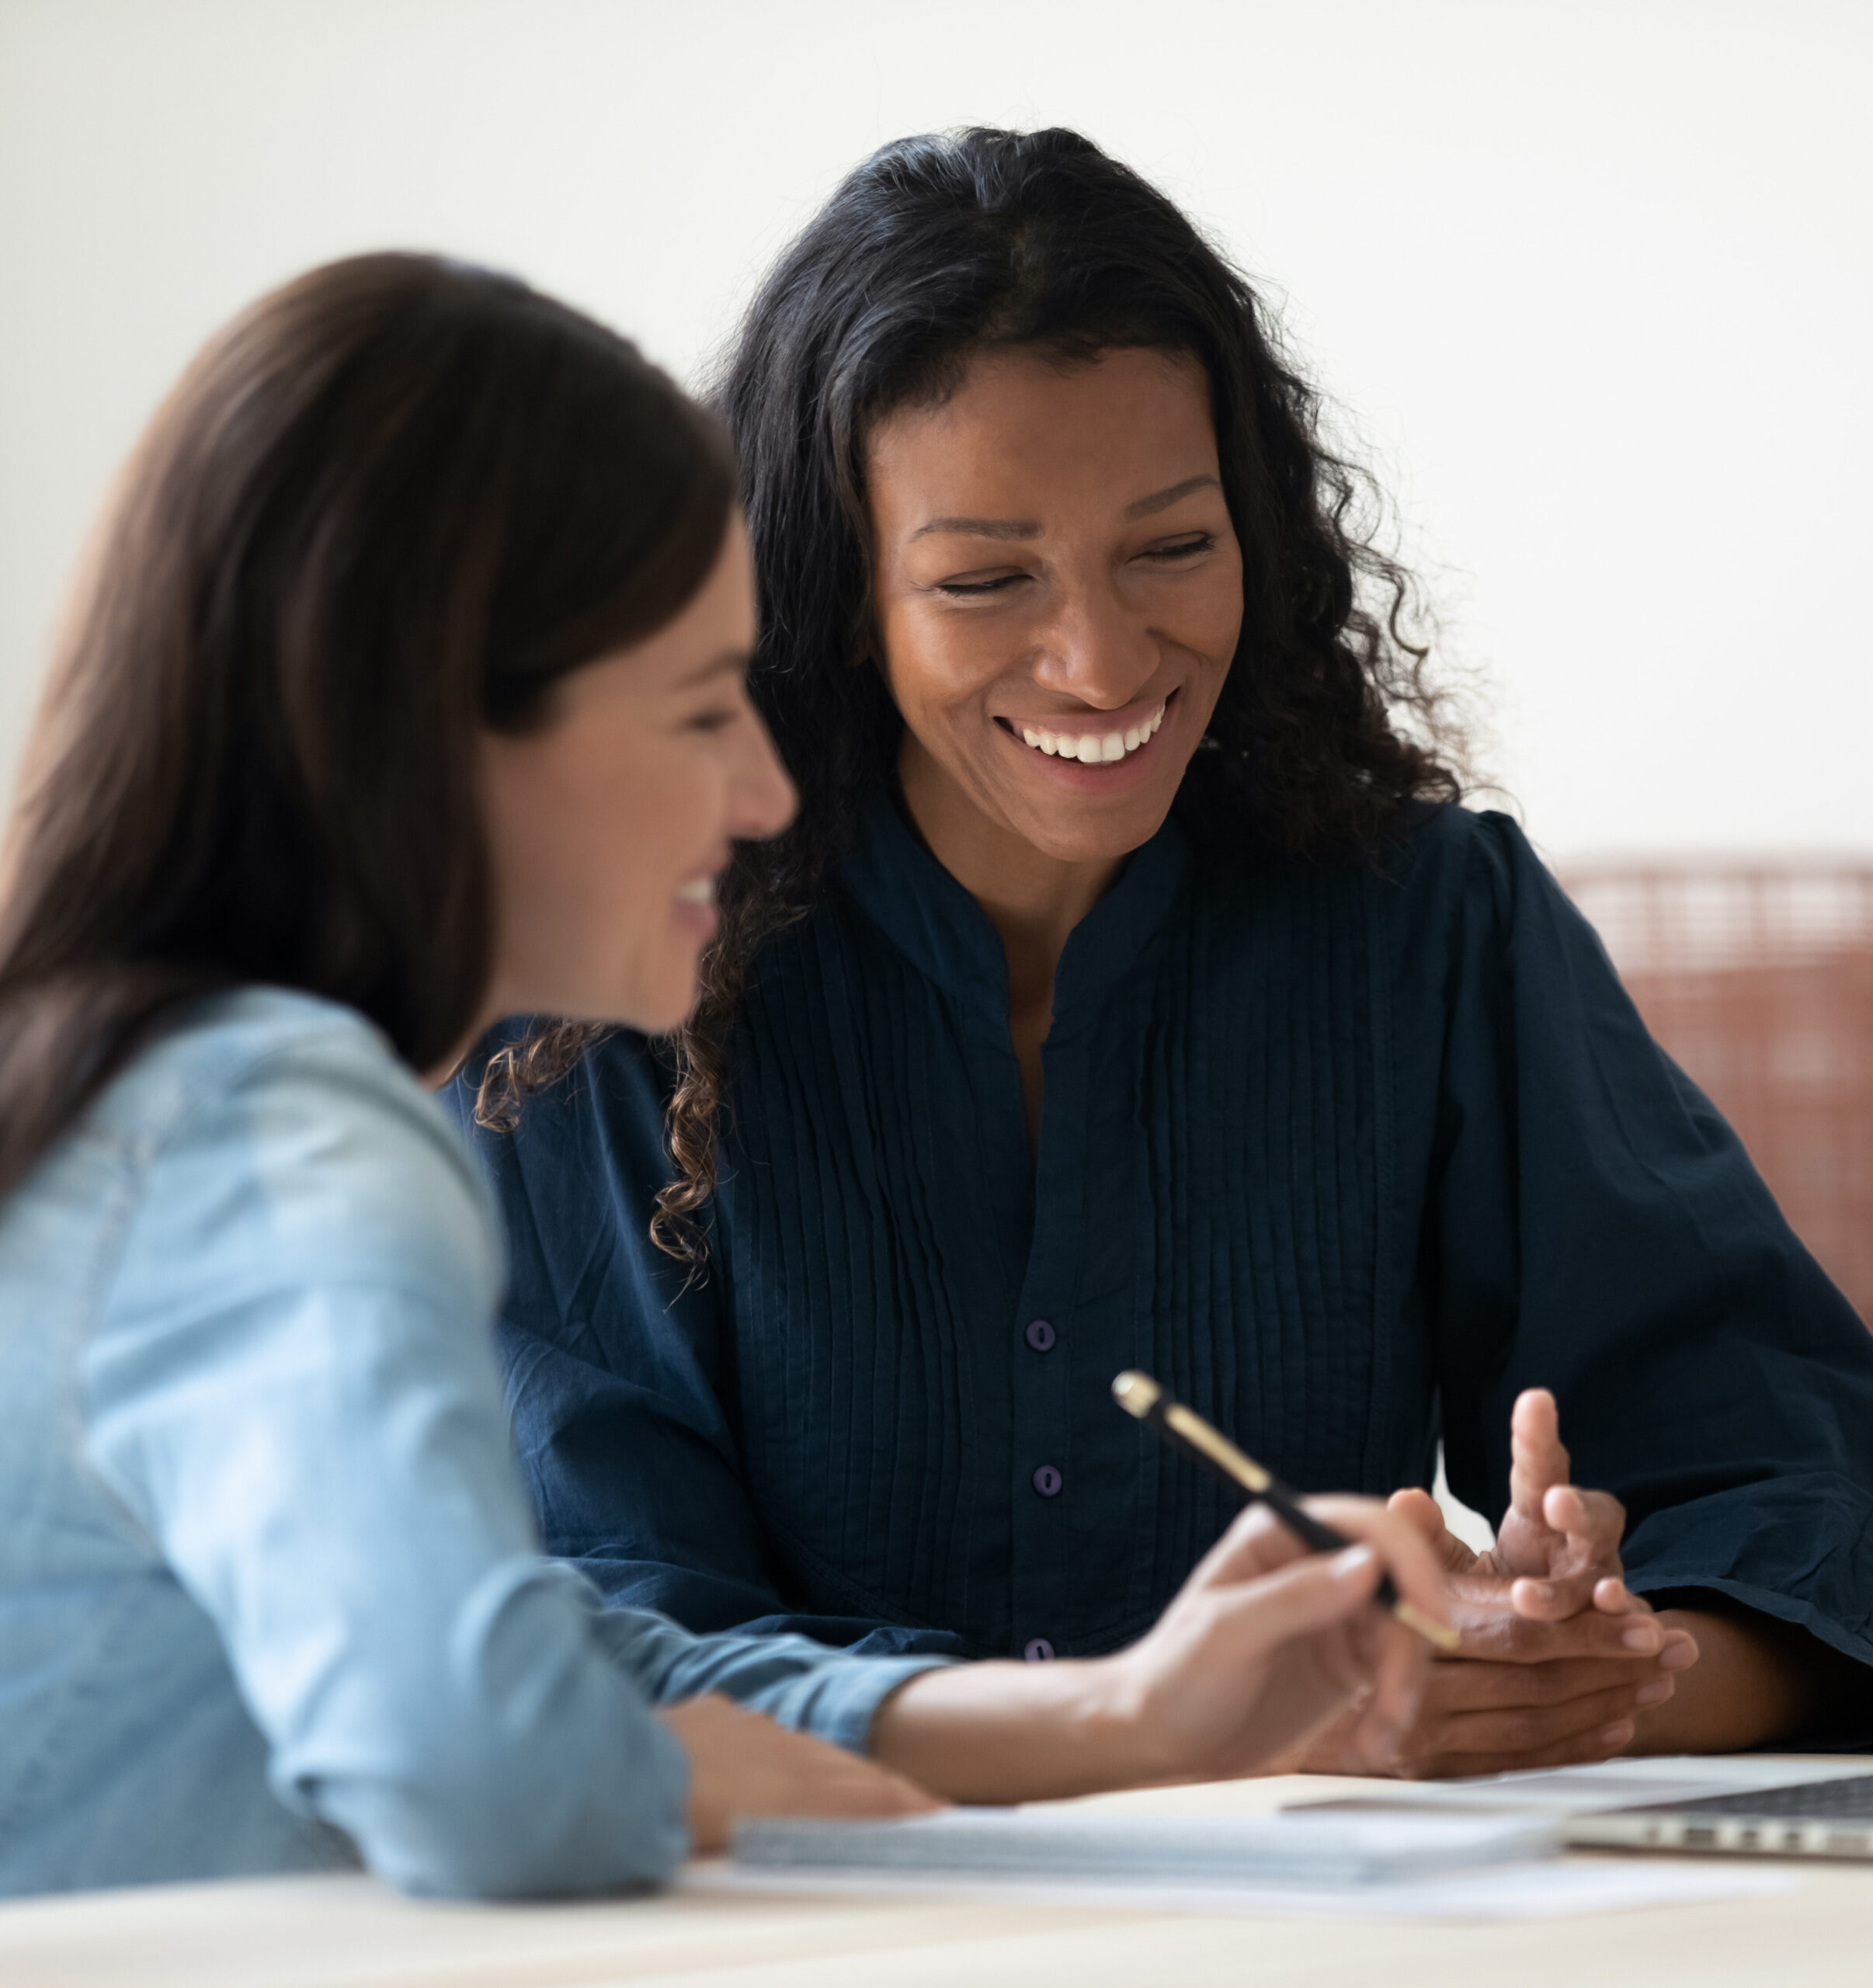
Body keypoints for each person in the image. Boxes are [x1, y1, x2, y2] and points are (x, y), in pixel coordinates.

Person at [455, 127, 1873, 1778]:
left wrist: (1563, 1675)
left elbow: (1840, 1535)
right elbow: (593, 1647)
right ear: (835, 595)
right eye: (983, 578)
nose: (1102, 658)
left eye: (1172, 548)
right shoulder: (613, 983)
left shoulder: (1428, 927)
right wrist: (1165, 1729)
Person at [0, 252, 1451, 1900]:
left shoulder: (141, 1097)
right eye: (702, 709)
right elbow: (484, 1760)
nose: (766, 787)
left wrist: (1123, 1709)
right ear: (439, 728)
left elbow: (530, 1660)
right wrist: (644, 1769)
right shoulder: (287, 1128)